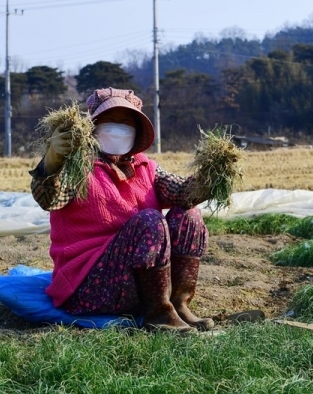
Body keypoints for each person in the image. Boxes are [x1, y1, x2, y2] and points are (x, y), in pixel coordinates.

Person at [29, 87, 214, 332]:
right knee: (150, 220)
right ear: (92, 127)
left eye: (126, 122)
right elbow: (50, 199)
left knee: (189, 214)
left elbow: (182, 192)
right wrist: (53, 158)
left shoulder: (146, 167)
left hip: (134, 285)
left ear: (136, 132)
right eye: (110, 121)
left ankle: (177, 304)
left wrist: (213, 174)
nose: (118, 128)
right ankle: (157, 314)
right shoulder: (77, 166)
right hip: (89, 286)